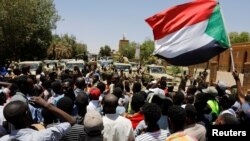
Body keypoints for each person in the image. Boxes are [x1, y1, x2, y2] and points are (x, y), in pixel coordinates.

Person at [0, 97, 76, 141]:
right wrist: (46, 105)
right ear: (26, 114)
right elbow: (71, 121)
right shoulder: (43, 136)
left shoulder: (3, 139)